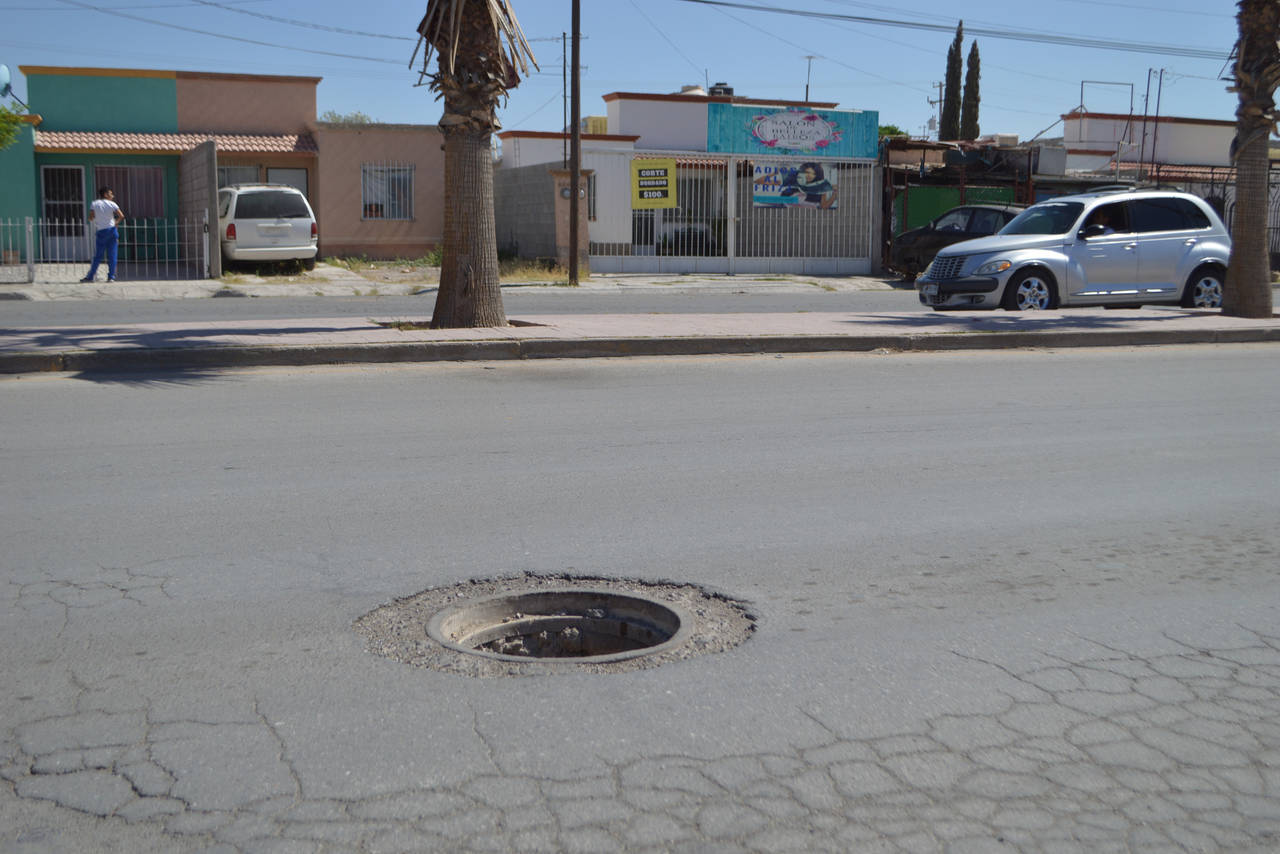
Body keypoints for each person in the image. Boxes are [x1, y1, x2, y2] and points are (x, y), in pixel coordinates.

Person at [82, 187, 125, 282]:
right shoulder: (112, 204)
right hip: (112, 230)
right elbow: (121, 216)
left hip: (101, 231)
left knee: (98, 256)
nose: (112, 195)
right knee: (112, 255)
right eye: (111, 193)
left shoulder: (94, 203)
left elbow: (91, 217)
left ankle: (90, 276)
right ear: (105, 194)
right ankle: (111, 277)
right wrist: (116, 222)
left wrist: (94, 218)